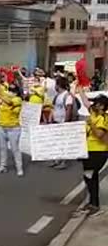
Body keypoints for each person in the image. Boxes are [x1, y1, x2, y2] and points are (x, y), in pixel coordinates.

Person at [77, 88, 108, 216]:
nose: (93, 105)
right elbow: (85, 102)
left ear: (102, 106)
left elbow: (100, 135)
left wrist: (91, 124)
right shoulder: (93, 113)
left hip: (98, 152)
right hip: (88, 150)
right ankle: (92, 203)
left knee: (89, 175)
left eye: (96, 103)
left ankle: (94, 204)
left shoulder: (103, 118)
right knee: (90, 177)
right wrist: (80, 90)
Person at [0, 83, 24, 176]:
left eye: (13, 91)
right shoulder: (4, 97)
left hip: (13, 128)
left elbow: (9, 102)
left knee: (15, 149)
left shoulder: (18, 99)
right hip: (1, 126)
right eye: (10, 90)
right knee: (2, 148)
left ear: (17, 92)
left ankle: (19, 168)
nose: (11, 92)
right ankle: (3, 166)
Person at [51, 77, 78, 170]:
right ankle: (57, 160)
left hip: (63, 122)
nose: (55, 86)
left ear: (58, 85)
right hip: (56, 121)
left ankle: (63, 162)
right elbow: (54, 108)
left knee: (63, 143)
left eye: (56, 84)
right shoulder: (58, 95)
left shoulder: (67, 96)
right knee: (56, 142)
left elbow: (69, 110)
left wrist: (65, 123)